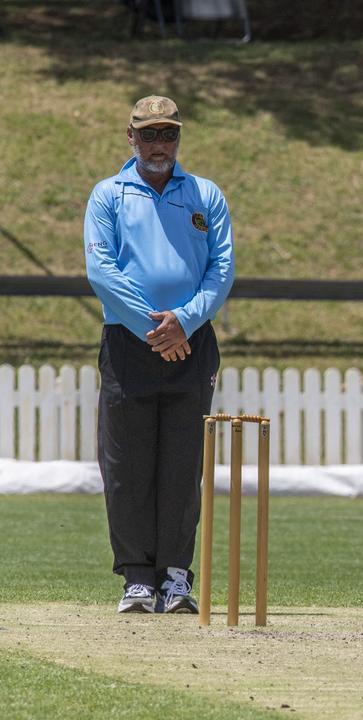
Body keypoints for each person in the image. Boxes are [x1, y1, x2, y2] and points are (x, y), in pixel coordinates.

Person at [84, 95, 234, 614]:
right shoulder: (109, 195)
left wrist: (185, 321)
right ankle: (137, 578)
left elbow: (221, 270)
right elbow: (102, 270)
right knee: (126, 464)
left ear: (178, 138)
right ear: (131, 138)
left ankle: (175, 575)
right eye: (148, 134)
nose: (158, 144)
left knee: (181, 462)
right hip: (131, 341)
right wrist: (156, 326)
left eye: (167, 134)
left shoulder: (204, 193)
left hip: (191, 342)